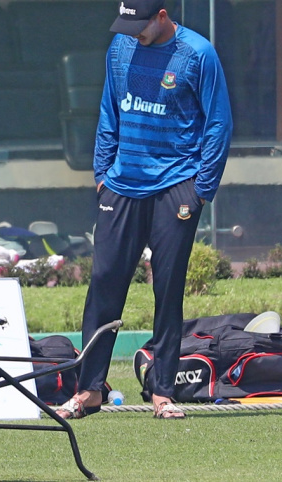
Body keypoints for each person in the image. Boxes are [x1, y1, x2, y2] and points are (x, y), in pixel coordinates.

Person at [56, 0, 232, 420]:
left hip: (177, 186)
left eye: (141, 25)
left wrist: (200, 190)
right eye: (127, 24)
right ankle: (90, 390)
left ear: (163, 16)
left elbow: (218, 123)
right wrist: (102, 172)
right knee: (103, 283)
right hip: (121, 185)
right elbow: (108, 111)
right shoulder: (119, 47)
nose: (133, 33)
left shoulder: (198, 53)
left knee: (167, 289)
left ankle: (163, 392)